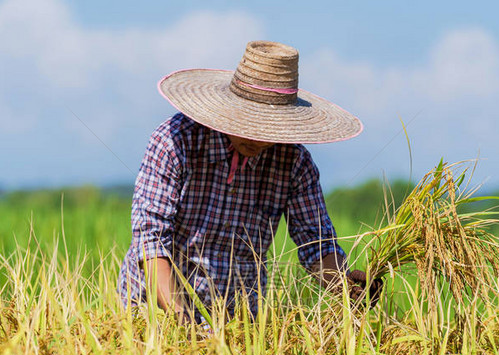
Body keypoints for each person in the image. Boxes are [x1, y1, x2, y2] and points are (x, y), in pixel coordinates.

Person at [117, 40, 381, 324]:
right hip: (157, 312)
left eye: (267, 128)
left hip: (238, 319)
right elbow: (151, 242)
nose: (256, 138)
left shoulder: (294, 163)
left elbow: (316, 245)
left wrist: (345, 285)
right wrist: (185, 322)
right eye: (247, 124)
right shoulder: (174, 141)